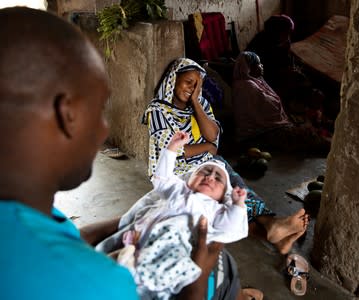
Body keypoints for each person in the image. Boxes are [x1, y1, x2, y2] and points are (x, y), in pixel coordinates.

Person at [0, 7, 221, 300]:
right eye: (99, 108)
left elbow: (66, 237)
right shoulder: (103, 285)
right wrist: (196, 284)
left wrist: (133, 219)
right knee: (218, 271)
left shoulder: (24, 211)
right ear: (67, 114)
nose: (104, 131)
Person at [142, 57, 310, 254]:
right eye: (188, 82)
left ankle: (272, 228)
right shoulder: (158, 111)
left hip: (205, 163)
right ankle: (271, 229)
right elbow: (173, 149)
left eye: (197, 85)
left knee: (235, 193)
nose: (192, 88)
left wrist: (196, 102)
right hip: (175, 171)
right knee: (220, 204)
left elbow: (212, 134)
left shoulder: (200, 103)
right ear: (173, 79)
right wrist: (206, 148)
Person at [96, 131, 249, 299]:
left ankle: (138, 277)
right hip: (146, 238)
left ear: (222, 196)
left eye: (218, 178)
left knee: (163, 268)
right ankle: (130, 272)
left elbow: (233, 227)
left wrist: (238, 204)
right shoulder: (178, 190)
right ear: (189, 179)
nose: (210, 177)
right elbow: (162, 178)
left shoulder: (216, 209)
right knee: (130, 254)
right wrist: (172, 148)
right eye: (204, 171)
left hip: (178, 244)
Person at [232, 51, 331, 152]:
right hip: (259, 133)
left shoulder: (253, 82)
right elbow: (265, 110)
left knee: (306, 128)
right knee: (306, 135)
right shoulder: (247, 86)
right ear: (250, 68)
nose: (262, 66)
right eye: (258, 64)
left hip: (265, 128)